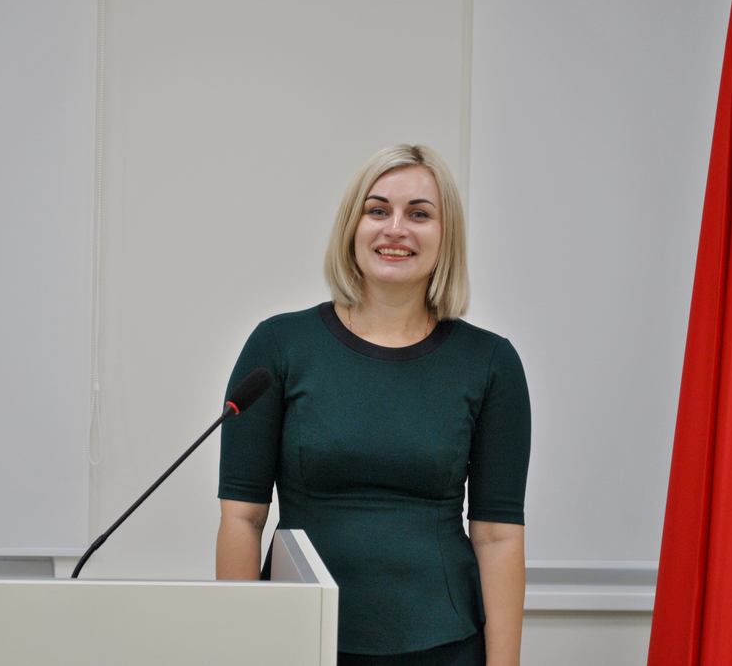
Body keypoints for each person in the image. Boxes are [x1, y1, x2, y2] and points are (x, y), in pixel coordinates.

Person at [216, 144, 530, 666]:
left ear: (446, 235)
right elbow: (242, 520)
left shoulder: (490, 362)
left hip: (445, 644)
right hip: (300, 639)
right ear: (352, 227)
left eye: (419, 214)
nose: (395, 229)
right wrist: (240, 653)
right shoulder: (279, 345)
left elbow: (498, 537)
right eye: (378, 210)